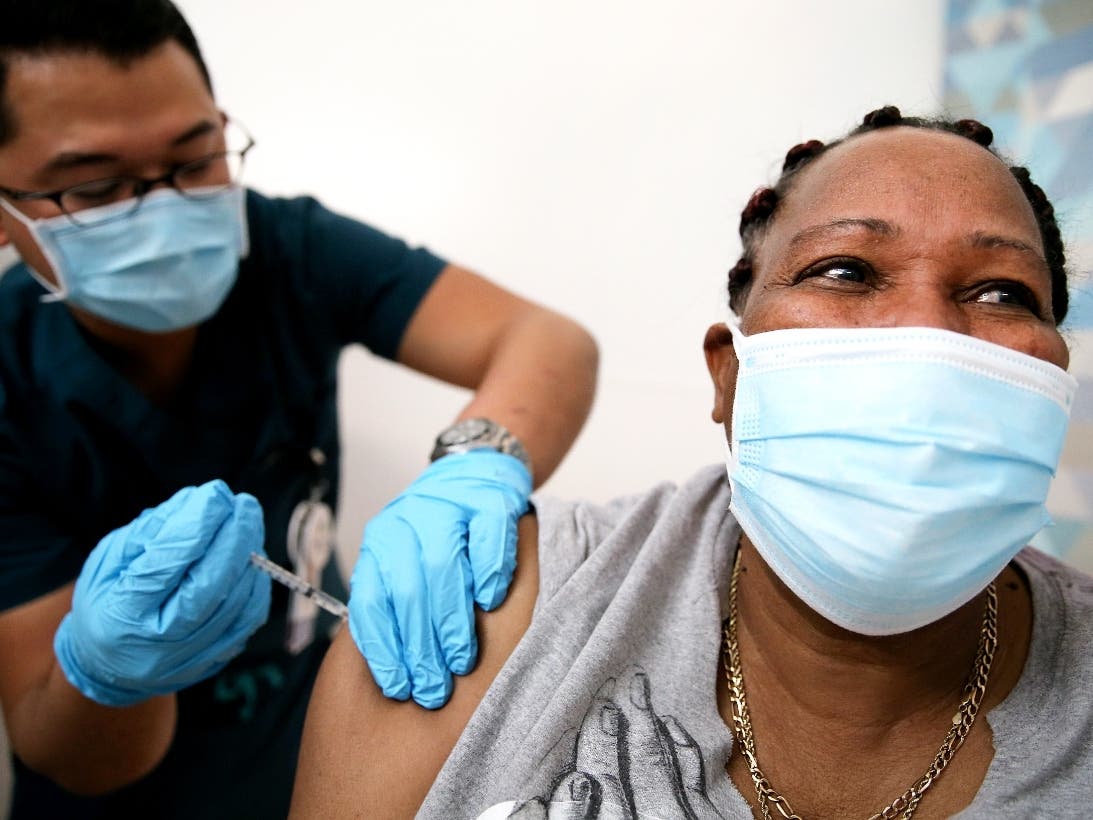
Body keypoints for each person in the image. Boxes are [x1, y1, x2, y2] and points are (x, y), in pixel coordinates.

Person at [292, 106, 1093, 819]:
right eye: (843, 271)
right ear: (728, 376)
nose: (926, 334)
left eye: (1000, 293)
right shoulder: (484, 609)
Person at [0, 2, 597, 817]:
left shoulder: (284, 249)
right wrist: (106, 673)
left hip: (314, 745)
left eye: (195, 159)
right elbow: (77, 756)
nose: (165, 208)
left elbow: (545, 340)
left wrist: (477, 463)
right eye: (96, 187)